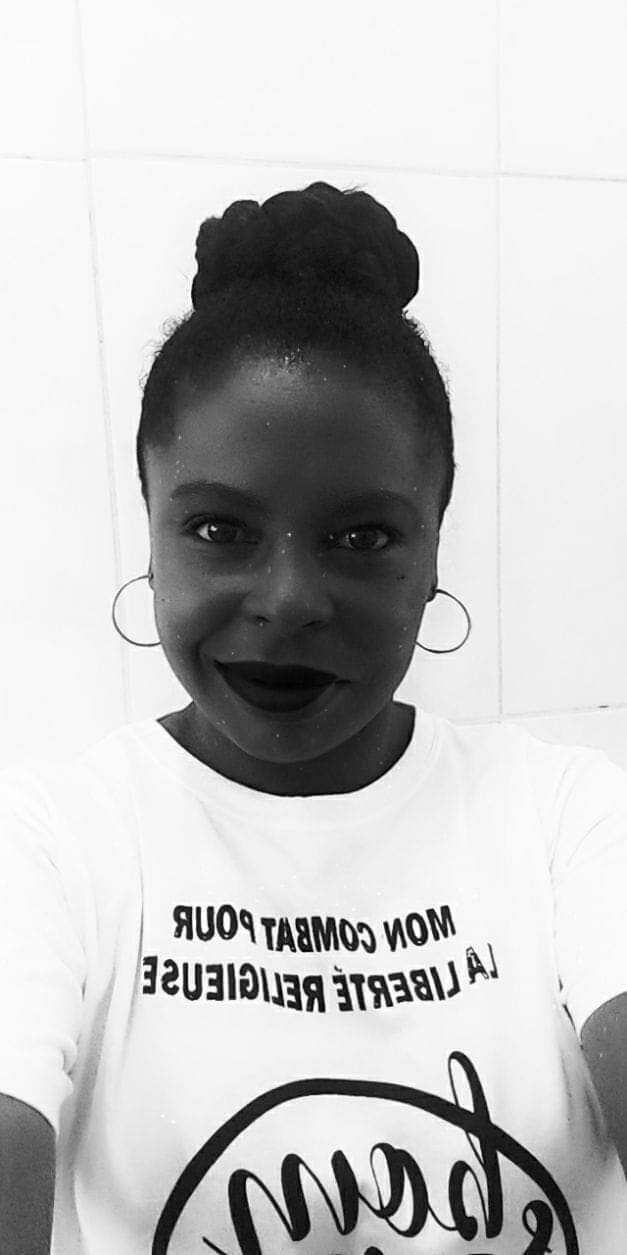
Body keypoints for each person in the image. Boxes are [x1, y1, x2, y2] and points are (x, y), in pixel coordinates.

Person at [0, 180, 626, 1255]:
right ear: (149, 526)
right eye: (218, 528)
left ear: (435, 545)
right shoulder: (52, 843)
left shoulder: (568, 816)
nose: (288, 599)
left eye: (362, 537)